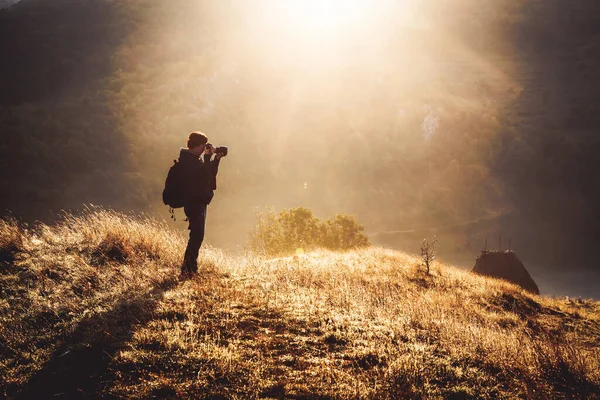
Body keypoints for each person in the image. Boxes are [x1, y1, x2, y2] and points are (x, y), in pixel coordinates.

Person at [179, 131, 225, 277]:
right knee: (197, 235)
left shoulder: (195, 159)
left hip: (199, 200)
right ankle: (187, 269)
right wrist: (207, 157)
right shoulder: (187, 161)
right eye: (203, 146)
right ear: (196, 145)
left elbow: (209, 176)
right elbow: (203, 176)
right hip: (194, 201)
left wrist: (216, 159)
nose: (204, 149)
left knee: (198, 235)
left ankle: (191, 268)